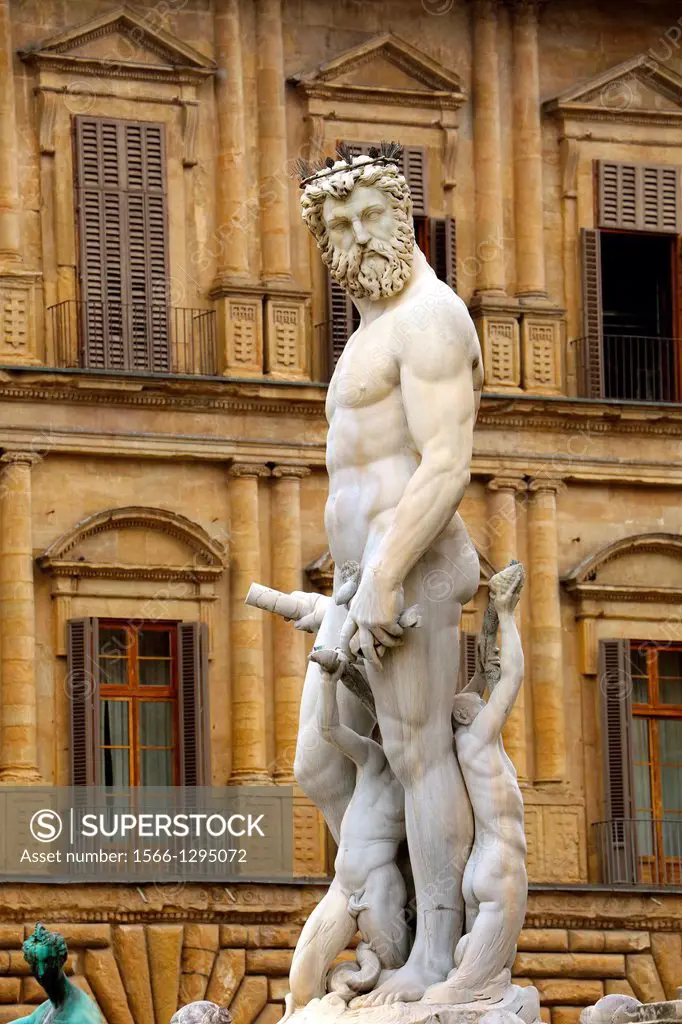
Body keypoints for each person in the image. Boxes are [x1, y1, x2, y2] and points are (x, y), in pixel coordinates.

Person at [293, 142, 482, 1002]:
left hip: (410, 572)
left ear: (402, 219)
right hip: (354, 576)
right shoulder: (369, 328)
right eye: (338, 224)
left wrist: (386, 575)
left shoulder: (431, 317)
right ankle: (387, 910)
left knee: (417, 752)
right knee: (320, 765)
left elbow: (444, 463)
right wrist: (349, 579)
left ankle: (440, 956)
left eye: (371, 216)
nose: (356, 236)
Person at [426, 562, 527, 1006]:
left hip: (477, 869)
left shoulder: (465, 743)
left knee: (468, 975)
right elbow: (511, 678)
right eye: (475, 704)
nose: (481, 701)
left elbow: (481, 681)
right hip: (502, 864)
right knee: (473, 985)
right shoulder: (482, 739)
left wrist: (485, 628)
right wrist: (505, 613)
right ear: (469, 715)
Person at [288, 647, 408, 1011]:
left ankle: (366, 993)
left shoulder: (421, 789)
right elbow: (330, 730)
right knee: (302, 981)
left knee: (393, 977)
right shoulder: (372, 759)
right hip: (343, 887)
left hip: (380, 886)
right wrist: (328, 681)